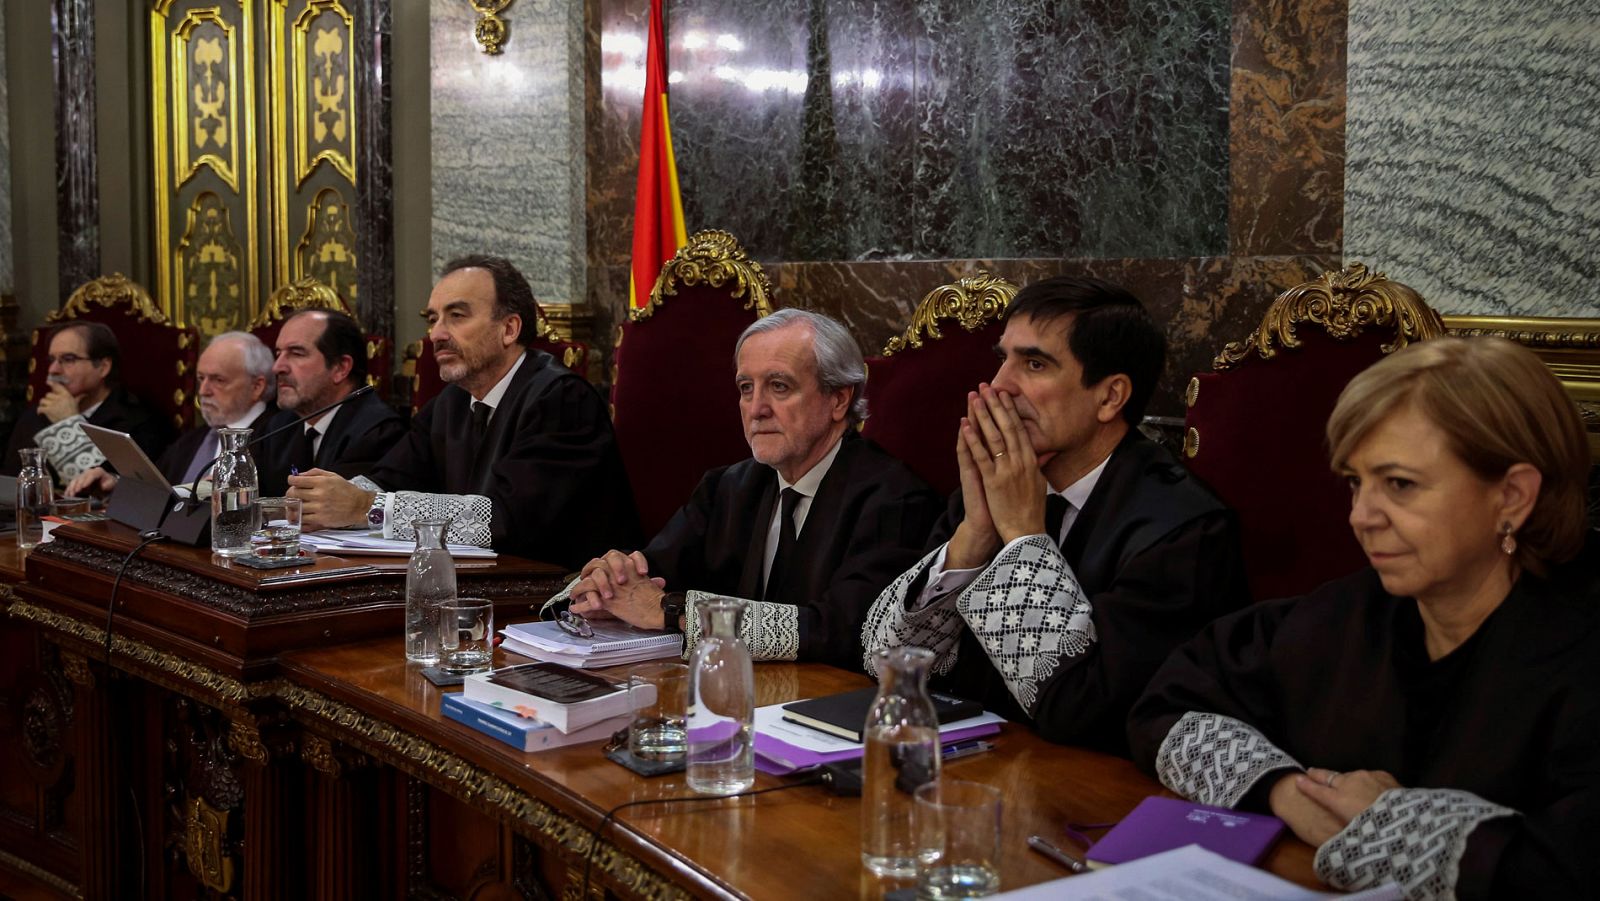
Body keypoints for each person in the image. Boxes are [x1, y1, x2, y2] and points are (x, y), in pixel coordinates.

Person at [1128, 337, 1599, 898]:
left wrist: (1389, 820)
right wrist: (1289, 792)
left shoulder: (1582, 648)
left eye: (1399, 484)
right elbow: (1168, 704)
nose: (1360, 516)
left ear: (1513, 497)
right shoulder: (1345, 613)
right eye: (1356, 482)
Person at [861, 276, 1247, 753]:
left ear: (1109, 397)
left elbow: (1084, 712)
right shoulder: (991, 489)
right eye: (1002, 359)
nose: (999, 386)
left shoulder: (1182, 532)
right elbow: (887, 663)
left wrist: (1023, 535)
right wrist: (976, 532)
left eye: (1035, 364)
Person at [543, 309, 943, 667]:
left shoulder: (894, 500)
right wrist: (603, 590)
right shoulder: (728, 488)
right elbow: (651, 570)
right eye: (746, 388)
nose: (756, 409)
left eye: (779, 387)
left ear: (839, 400)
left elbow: (842, 631)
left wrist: (670, 611)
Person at [287, 255, 640, 568]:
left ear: (509, 329)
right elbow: (392, 478)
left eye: (456, 316)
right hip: (478, 585)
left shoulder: (561, 400)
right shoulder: (451, 401)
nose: (436, 334)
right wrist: (325, 498)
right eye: (433, 319)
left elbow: (506, 521)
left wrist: (366, 507)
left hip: (562, 598)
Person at [67, 331, 276, 496]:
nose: (203, 391)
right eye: (201, 379)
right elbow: (162, 491)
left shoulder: (278, 437)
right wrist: (115, 483)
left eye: (218, 380)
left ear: (257, 386)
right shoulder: (193, 440)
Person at [255, 308, 405, 496]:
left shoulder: (377, 433)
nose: (277, 367)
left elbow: (329, 510)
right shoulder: (278, 427)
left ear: (340, 368)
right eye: (278, 353)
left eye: (296, 353)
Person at [3, 321, 174, 484]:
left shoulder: (139, 422)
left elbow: (106, 491)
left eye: (68, 359)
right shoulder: (35, 415)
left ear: (103, 367)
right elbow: (12, 486)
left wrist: (68, 423)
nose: (53, 369)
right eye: (51, 360)